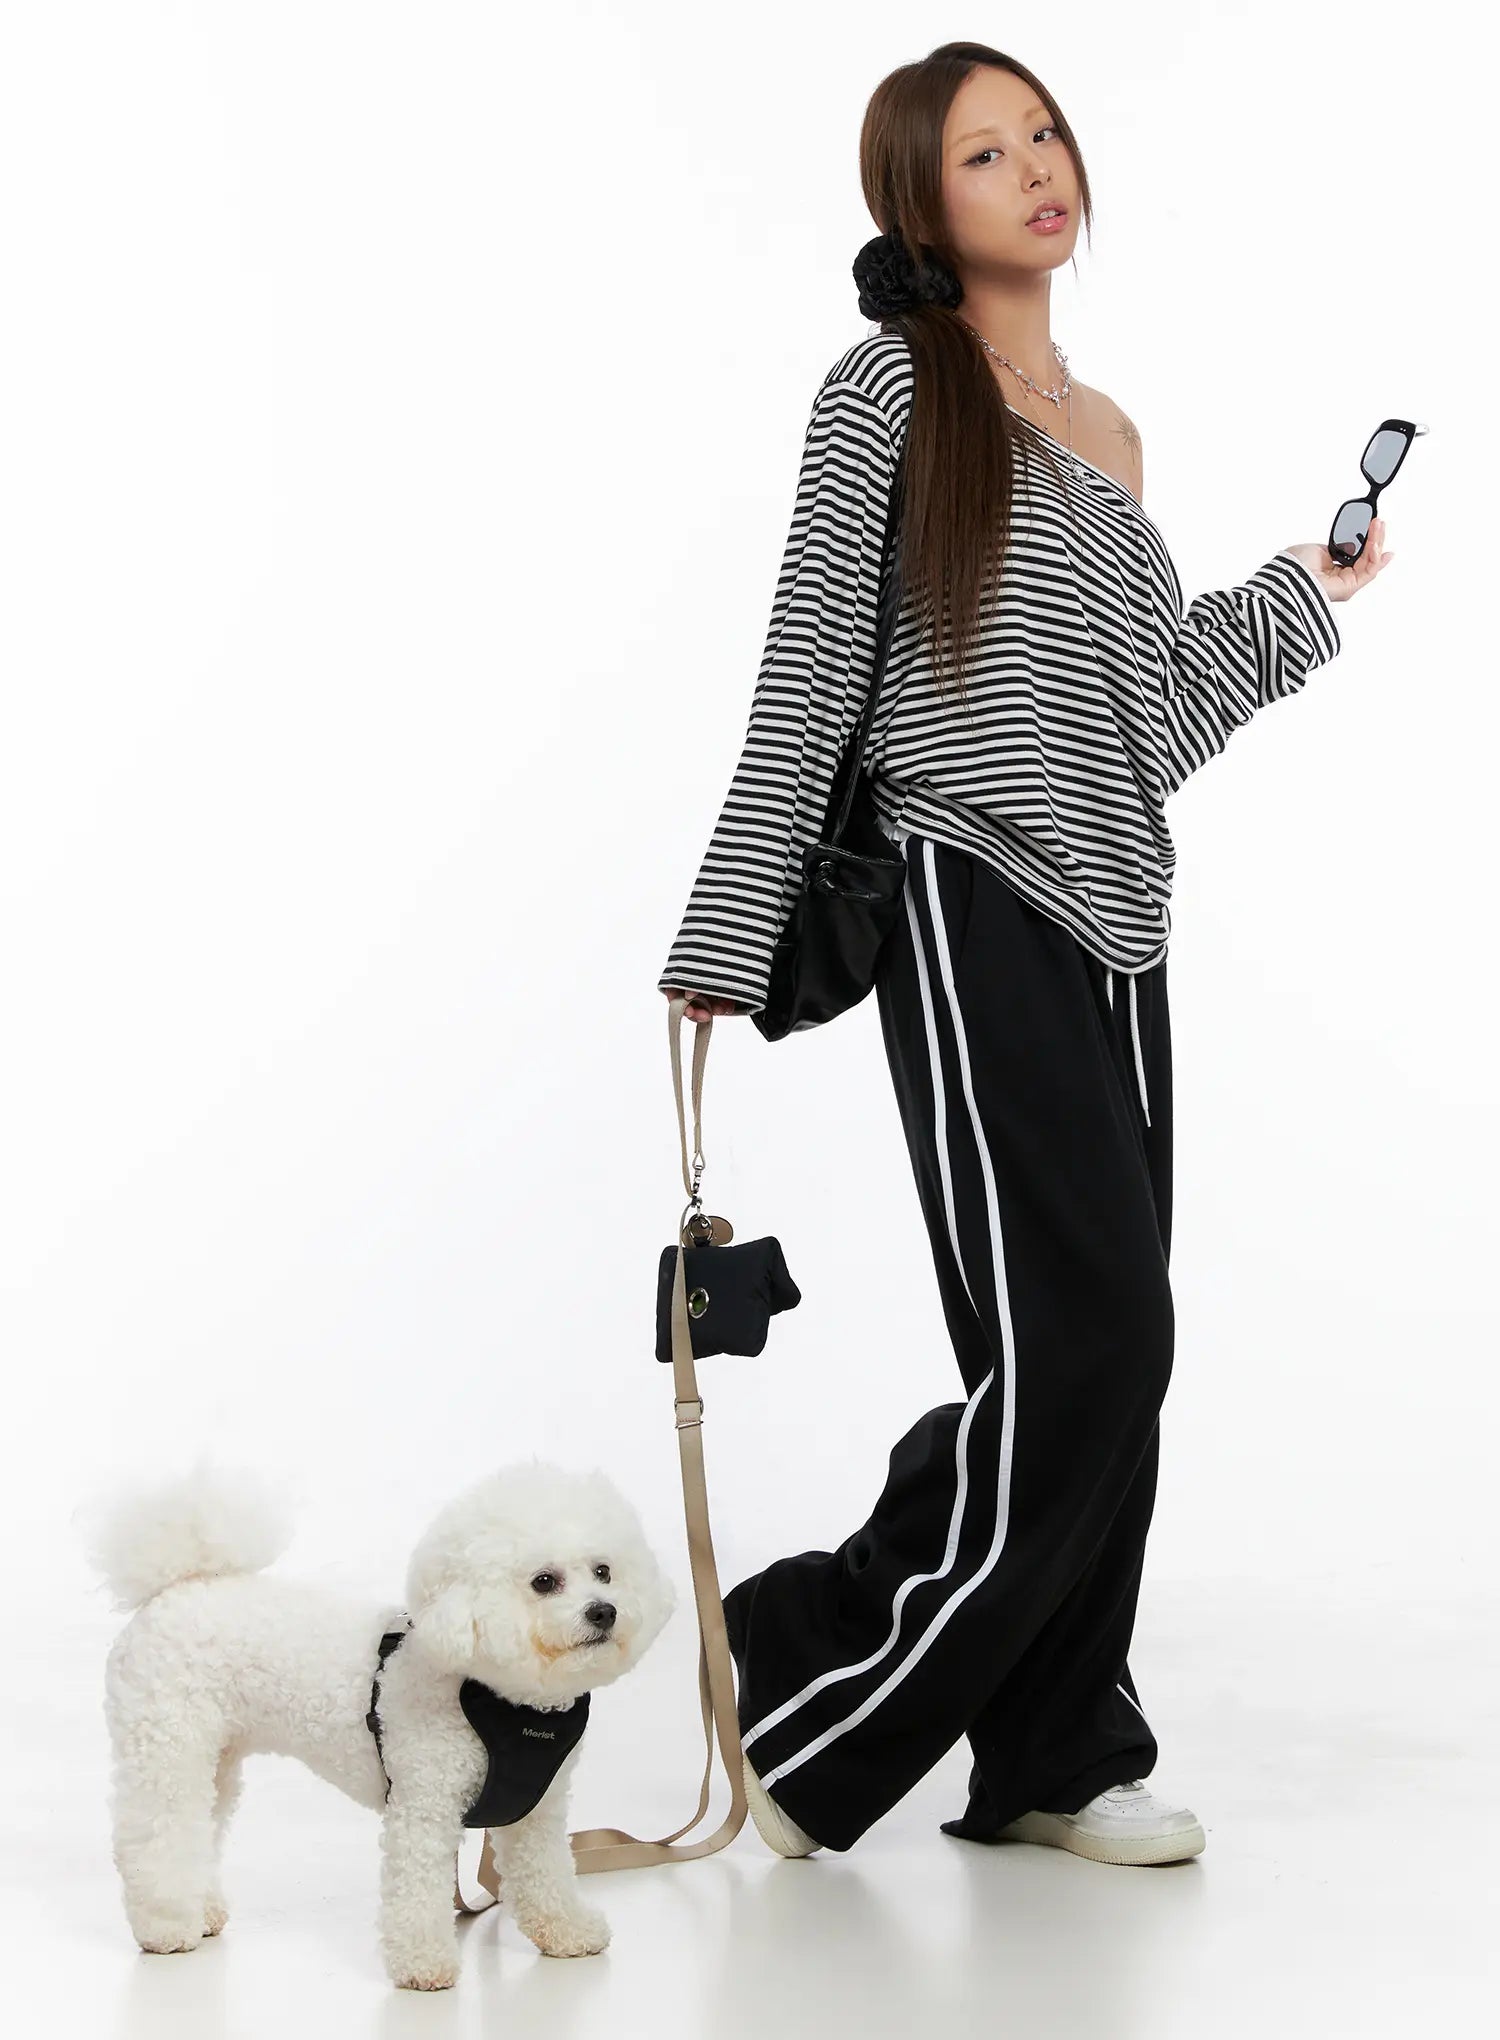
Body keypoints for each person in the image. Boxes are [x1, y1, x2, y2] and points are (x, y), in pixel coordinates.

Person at [658, 42, 1390, 1865]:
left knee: (1106, 1357)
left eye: (1044, 134)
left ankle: (1055, 1752)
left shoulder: (1109, 431)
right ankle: (811, 1682)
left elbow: (1144, 719)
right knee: (1092, 1340)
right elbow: (813, 661)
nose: (1037, 169)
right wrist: (731, 916)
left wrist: (1300, 596)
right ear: (922, 202)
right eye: (987, 154)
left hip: (1120, 920)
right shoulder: (889, 390)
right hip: (967, 890)